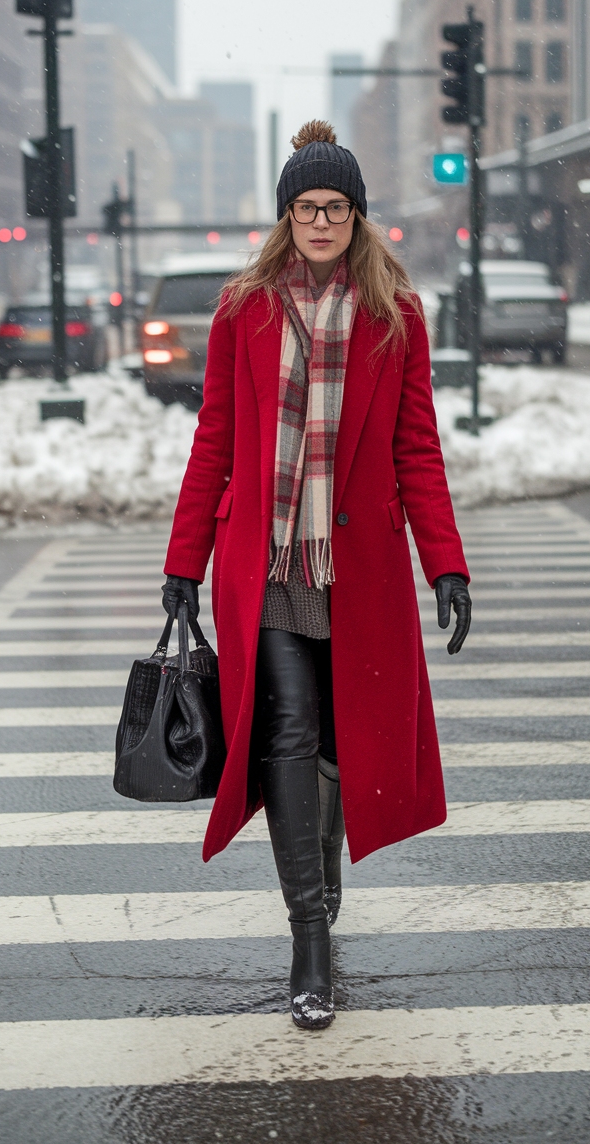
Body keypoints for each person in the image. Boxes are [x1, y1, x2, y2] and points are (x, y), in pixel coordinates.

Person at [161, 120, 471, 1032]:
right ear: (287, 216)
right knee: (289, 733)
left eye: (336, 207)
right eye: (307, 207)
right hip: (265, 563)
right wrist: (184, 562)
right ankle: (309, 936)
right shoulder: (242, 310)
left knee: (339, 742)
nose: (321, 222)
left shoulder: (395, 315)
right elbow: (214, 439)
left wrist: (444, 563)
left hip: (359, 568)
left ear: (358, 217)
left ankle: (322, 871)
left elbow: (418, 449)